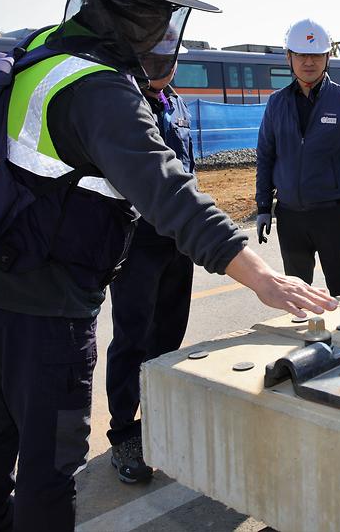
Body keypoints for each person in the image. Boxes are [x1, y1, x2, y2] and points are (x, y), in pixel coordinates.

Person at [0, 0, 335, 532]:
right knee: (53, 457)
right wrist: (263, 278)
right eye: (161, 14)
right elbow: (170, 195)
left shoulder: (48, 48)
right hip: (46, 296)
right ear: (139, 12)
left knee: (1, 414)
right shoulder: (100, 89)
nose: (165, 31)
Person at [105, 54, 195, 485]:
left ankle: (158, 421)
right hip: (136, 242)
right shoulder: (119, 100)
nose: (163, 65)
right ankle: (124, 431)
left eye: (169, 57)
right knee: (132, 338)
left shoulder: (176, 101)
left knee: (168, 336)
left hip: (177, 241)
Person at [255, 18, 340, 296]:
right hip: (290, 216)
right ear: (289, 58)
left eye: (316, 55)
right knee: (296, 292)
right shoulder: (277, 103)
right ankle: (305, 339)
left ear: (328, 57)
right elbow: (266, 156)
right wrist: (262, 207)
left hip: (331, 214)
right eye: (302, 55)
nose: (309, 62)